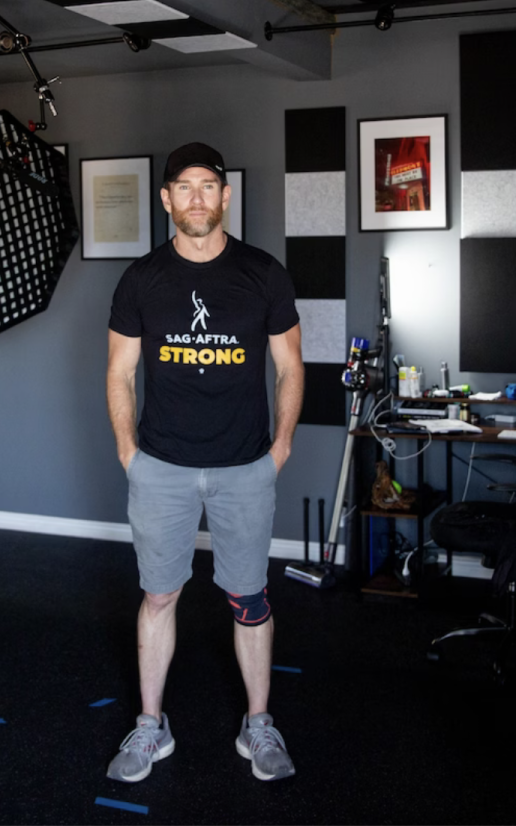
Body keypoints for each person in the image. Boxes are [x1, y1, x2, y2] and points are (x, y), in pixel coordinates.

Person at [104, 141, 304, 784]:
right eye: (184, 187)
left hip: (246, 467)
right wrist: (127, 452)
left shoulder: (263, 273)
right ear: (166, 200)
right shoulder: (141, 279)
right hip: (161, 466)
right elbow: (119, 371)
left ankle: (259, 725)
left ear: (225, 196)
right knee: (159, 594)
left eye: (208, 186)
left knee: (249, 598)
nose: (197, 197)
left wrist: (281, 447)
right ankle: (149, 727)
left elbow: (290, 367)